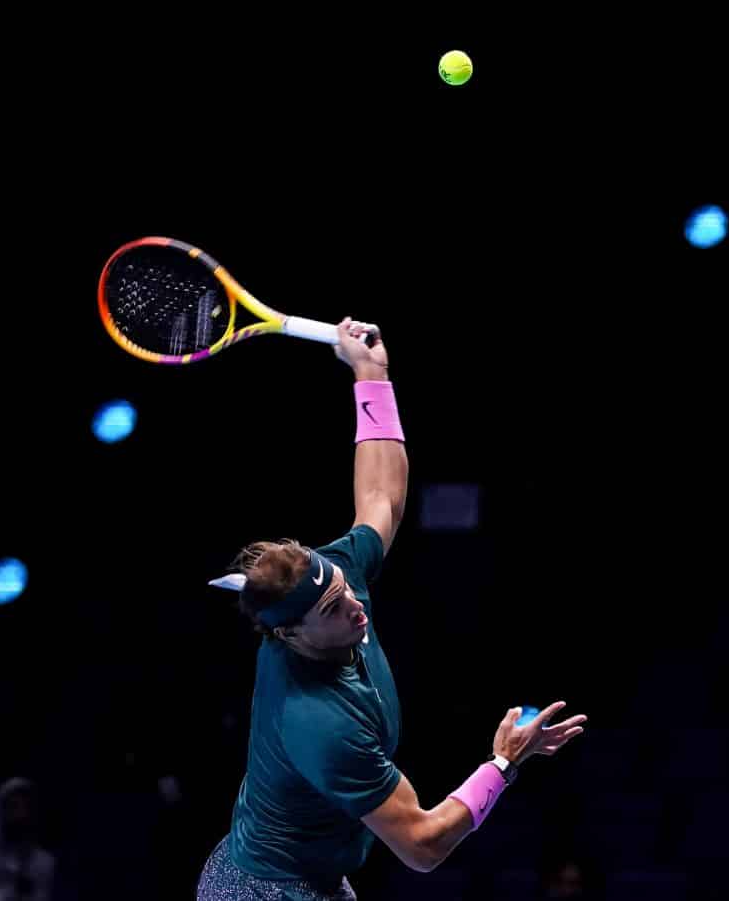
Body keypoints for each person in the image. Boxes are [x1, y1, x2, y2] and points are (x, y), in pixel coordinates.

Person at [195, 319, 587, 900]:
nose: (355, 603)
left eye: (344, 587)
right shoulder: (319, 722)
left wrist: (371, 373)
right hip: (271, 891)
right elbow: (423, 845)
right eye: (334, 607)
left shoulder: (330, 582)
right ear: (293, 635)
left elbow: (382, 498)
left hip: (315, 873)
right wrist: (502, 764)